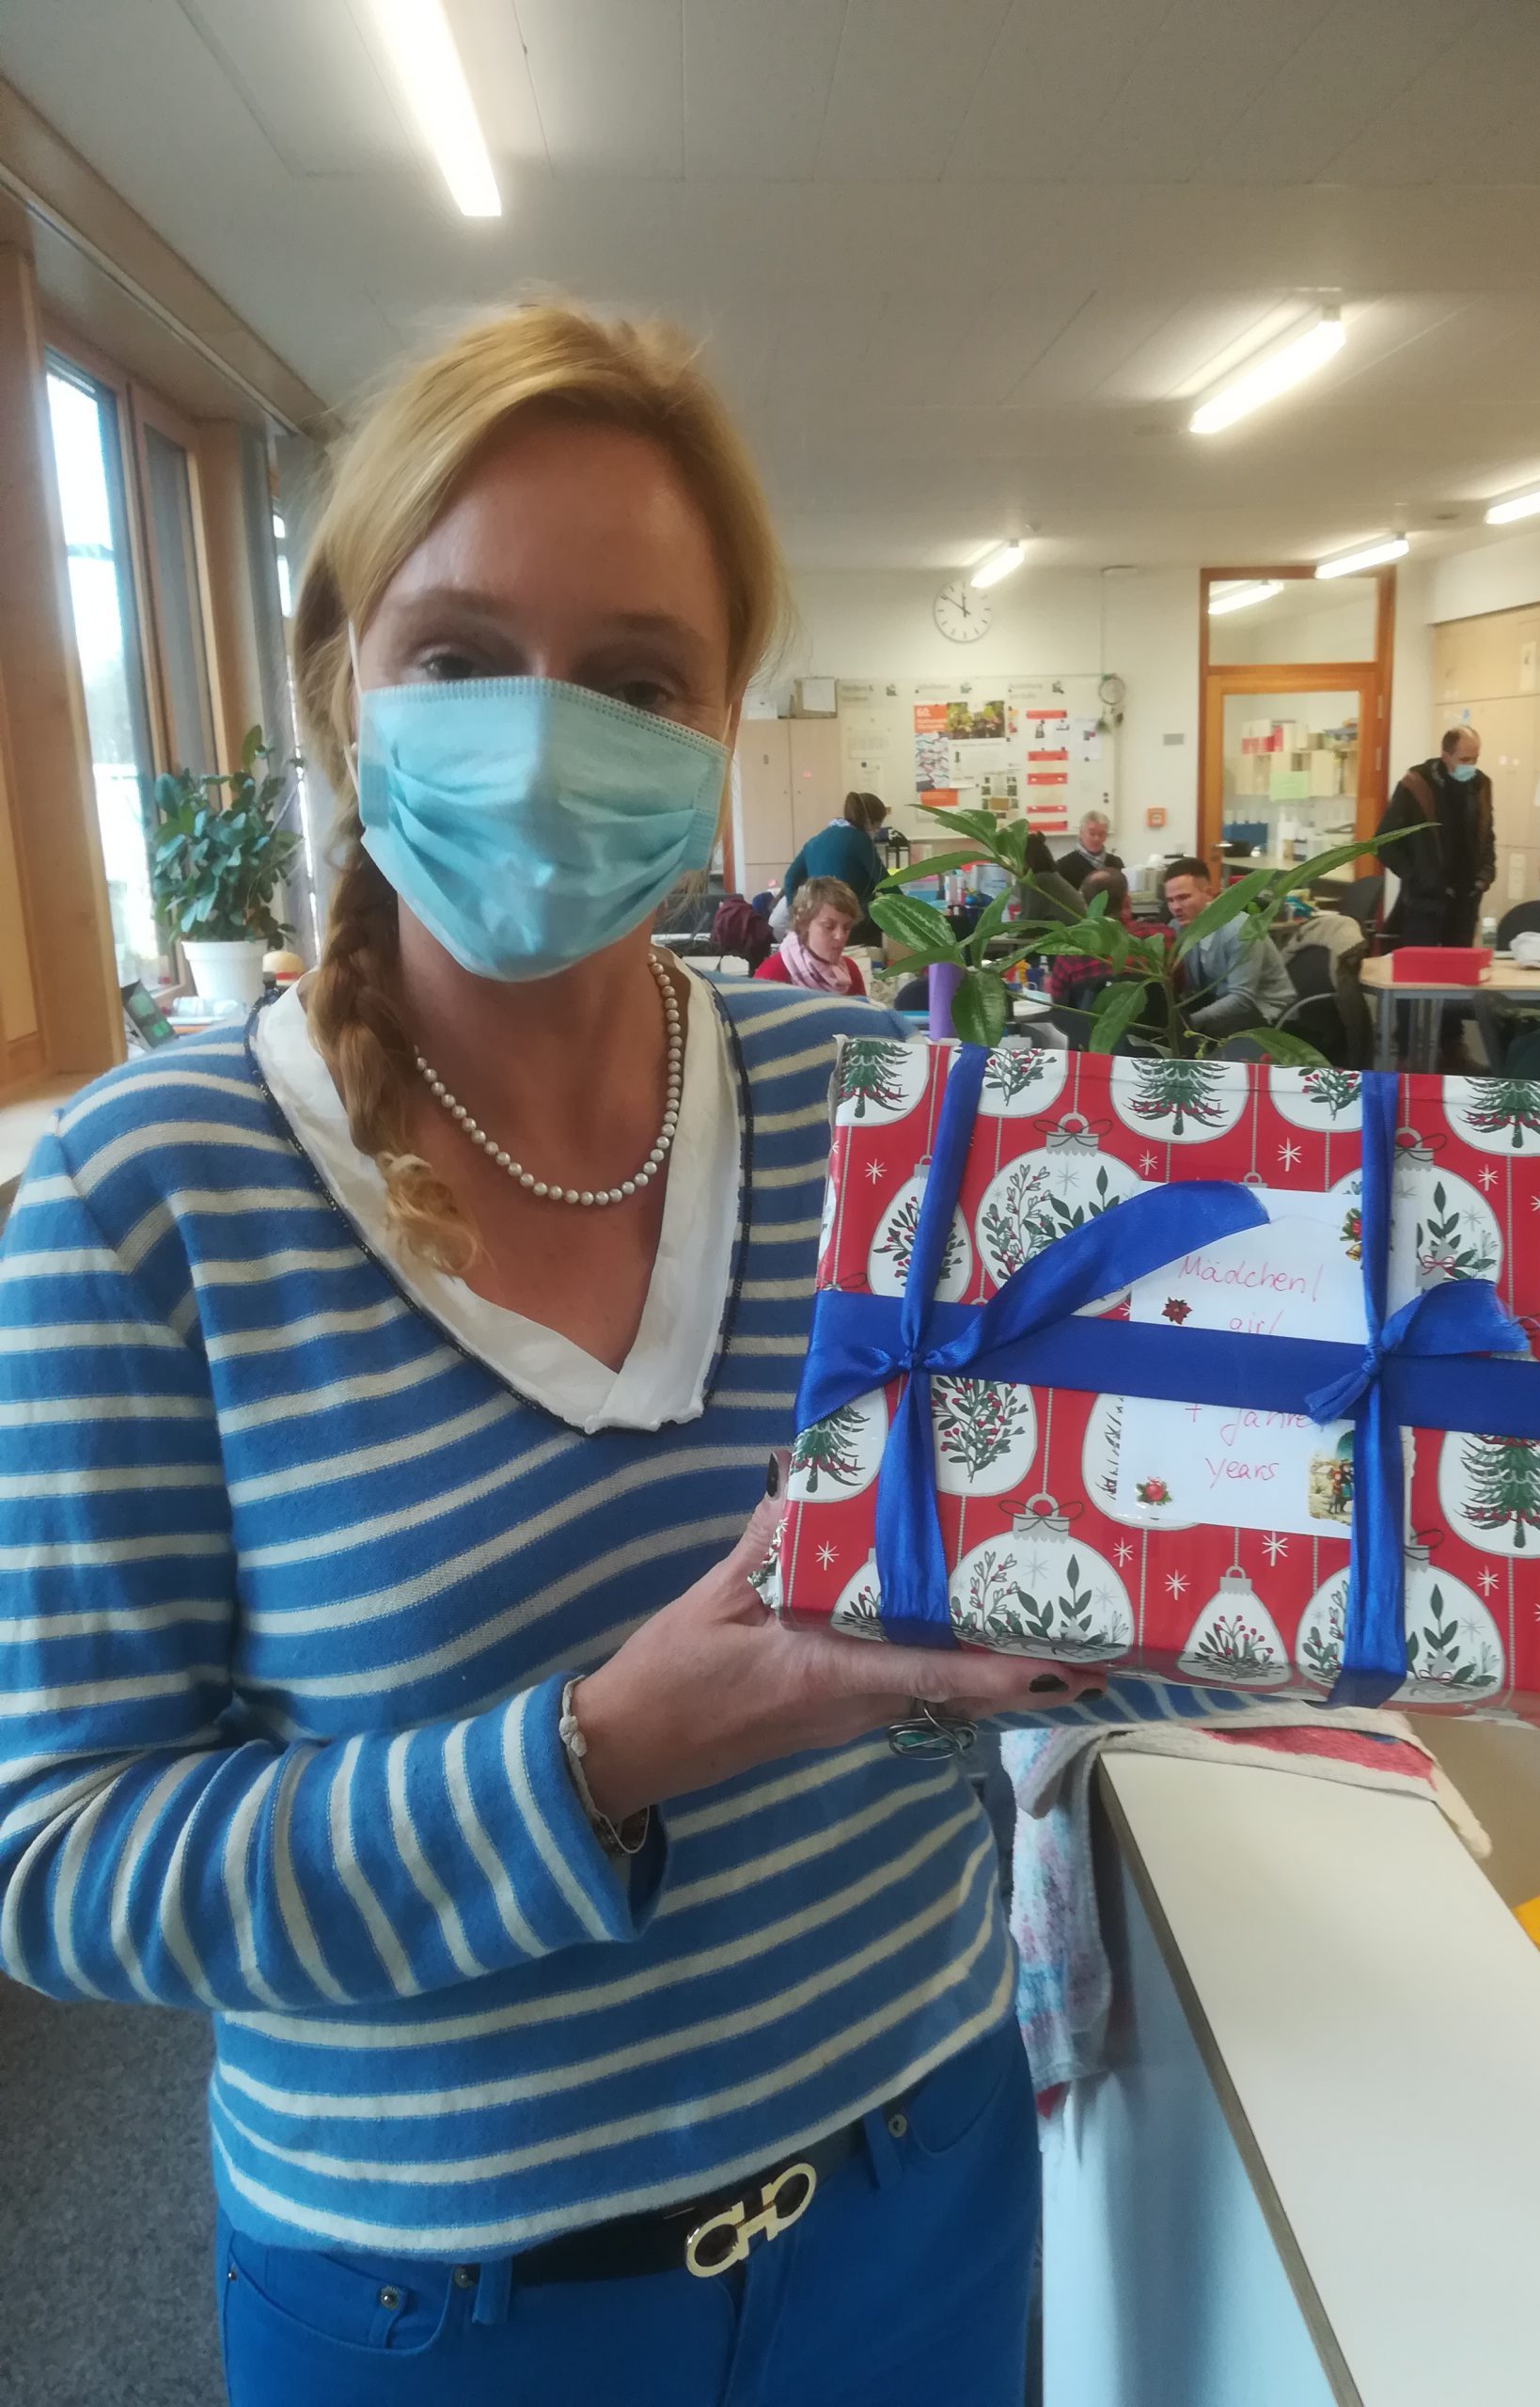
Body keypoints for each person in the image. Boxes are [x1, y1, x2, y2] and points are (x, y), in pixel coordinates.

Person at [0, 301, 1225, 2407]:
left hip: (924, 2188)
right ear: (342, 683)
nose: (545, 738)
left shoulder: (880, 1108)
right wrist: (601, 1753)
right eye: (461, 654)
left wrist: (1300, 1564)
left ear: (721, 718)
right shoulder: (143, 1196)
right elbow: (62, 1861)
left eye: (638, 680)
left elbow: (1038, 1604)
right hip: (445, 2306)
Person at [1376, 725, 1496, 946]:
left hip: (1466, 901)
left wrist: (1484, 876)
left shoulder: (1481, 785)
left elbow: (1486, 835)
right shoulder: (1416, 785)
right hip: (1424, 904)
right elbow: (1385, 842)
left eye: (1475, 759)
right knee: (1421, 965)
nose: (1470, 766)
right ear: (1445, 756)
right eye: (1464, 759)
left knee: (1458, 965)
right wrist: (1417, 876)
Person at [1162, 856, 1296, 1034]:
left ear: (1208, 893)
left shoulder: (1239, 931)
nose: (1175, 907)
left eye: (1183, 897)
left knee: (1205, 1033)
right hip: (1220, 998)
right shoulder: (1178, 927)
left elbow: (1242, 999)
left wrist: (1189, 1023)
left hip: (1266, 1007)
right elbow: (1189, 988)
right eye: (1170, 900)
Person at [1046, 868, 1167, 1008]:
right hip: (1158, 1021)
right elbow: (1177, 988)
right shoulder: (1164, 937)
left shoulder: (1069, 952)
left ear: (1086, 906)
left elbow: (1060, 1005)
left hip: (1091, 1022)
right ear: (1127, 902)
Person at [754, 873, 867, 994]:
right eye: (829, 926)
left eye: (846, 927)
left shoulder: (850, 971)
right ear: (804, 922)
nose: (840, 936)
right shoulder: (772, 975)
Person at [783, 789, 887, 911]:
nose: (878, 831)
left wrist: (794, 914)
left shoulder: (814, 841)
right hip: (853, 916)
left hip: (820, 916)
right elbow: (886, 883)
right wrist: (905, 910)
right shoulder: (860, 840)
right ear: (869, 821)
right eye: (878, 826)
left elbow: (789, 879)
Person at [1055, 810, 1122, 889]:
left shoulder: (1116, 863)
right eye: (1092, 833)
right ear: (1081, 833)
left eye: (1101, 834)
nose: (1096, 838)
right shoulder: (1063, 866)